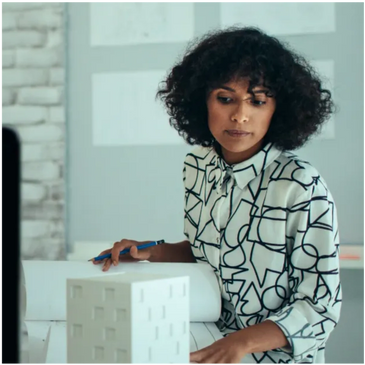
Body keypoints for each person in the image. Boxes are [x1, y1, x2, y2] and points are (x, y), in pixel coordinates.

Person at [93, 27, 342, 365]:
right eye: (225, 99)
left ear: (278, 108)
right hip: (207, 346)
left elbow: (320, 308)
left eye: (257, 101)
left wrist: (240, 343)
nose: (240, 115)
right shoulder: (197, 165)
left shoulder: (300, 185)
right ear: (202, 100)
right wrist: (150, 252)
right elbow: (208, 254)